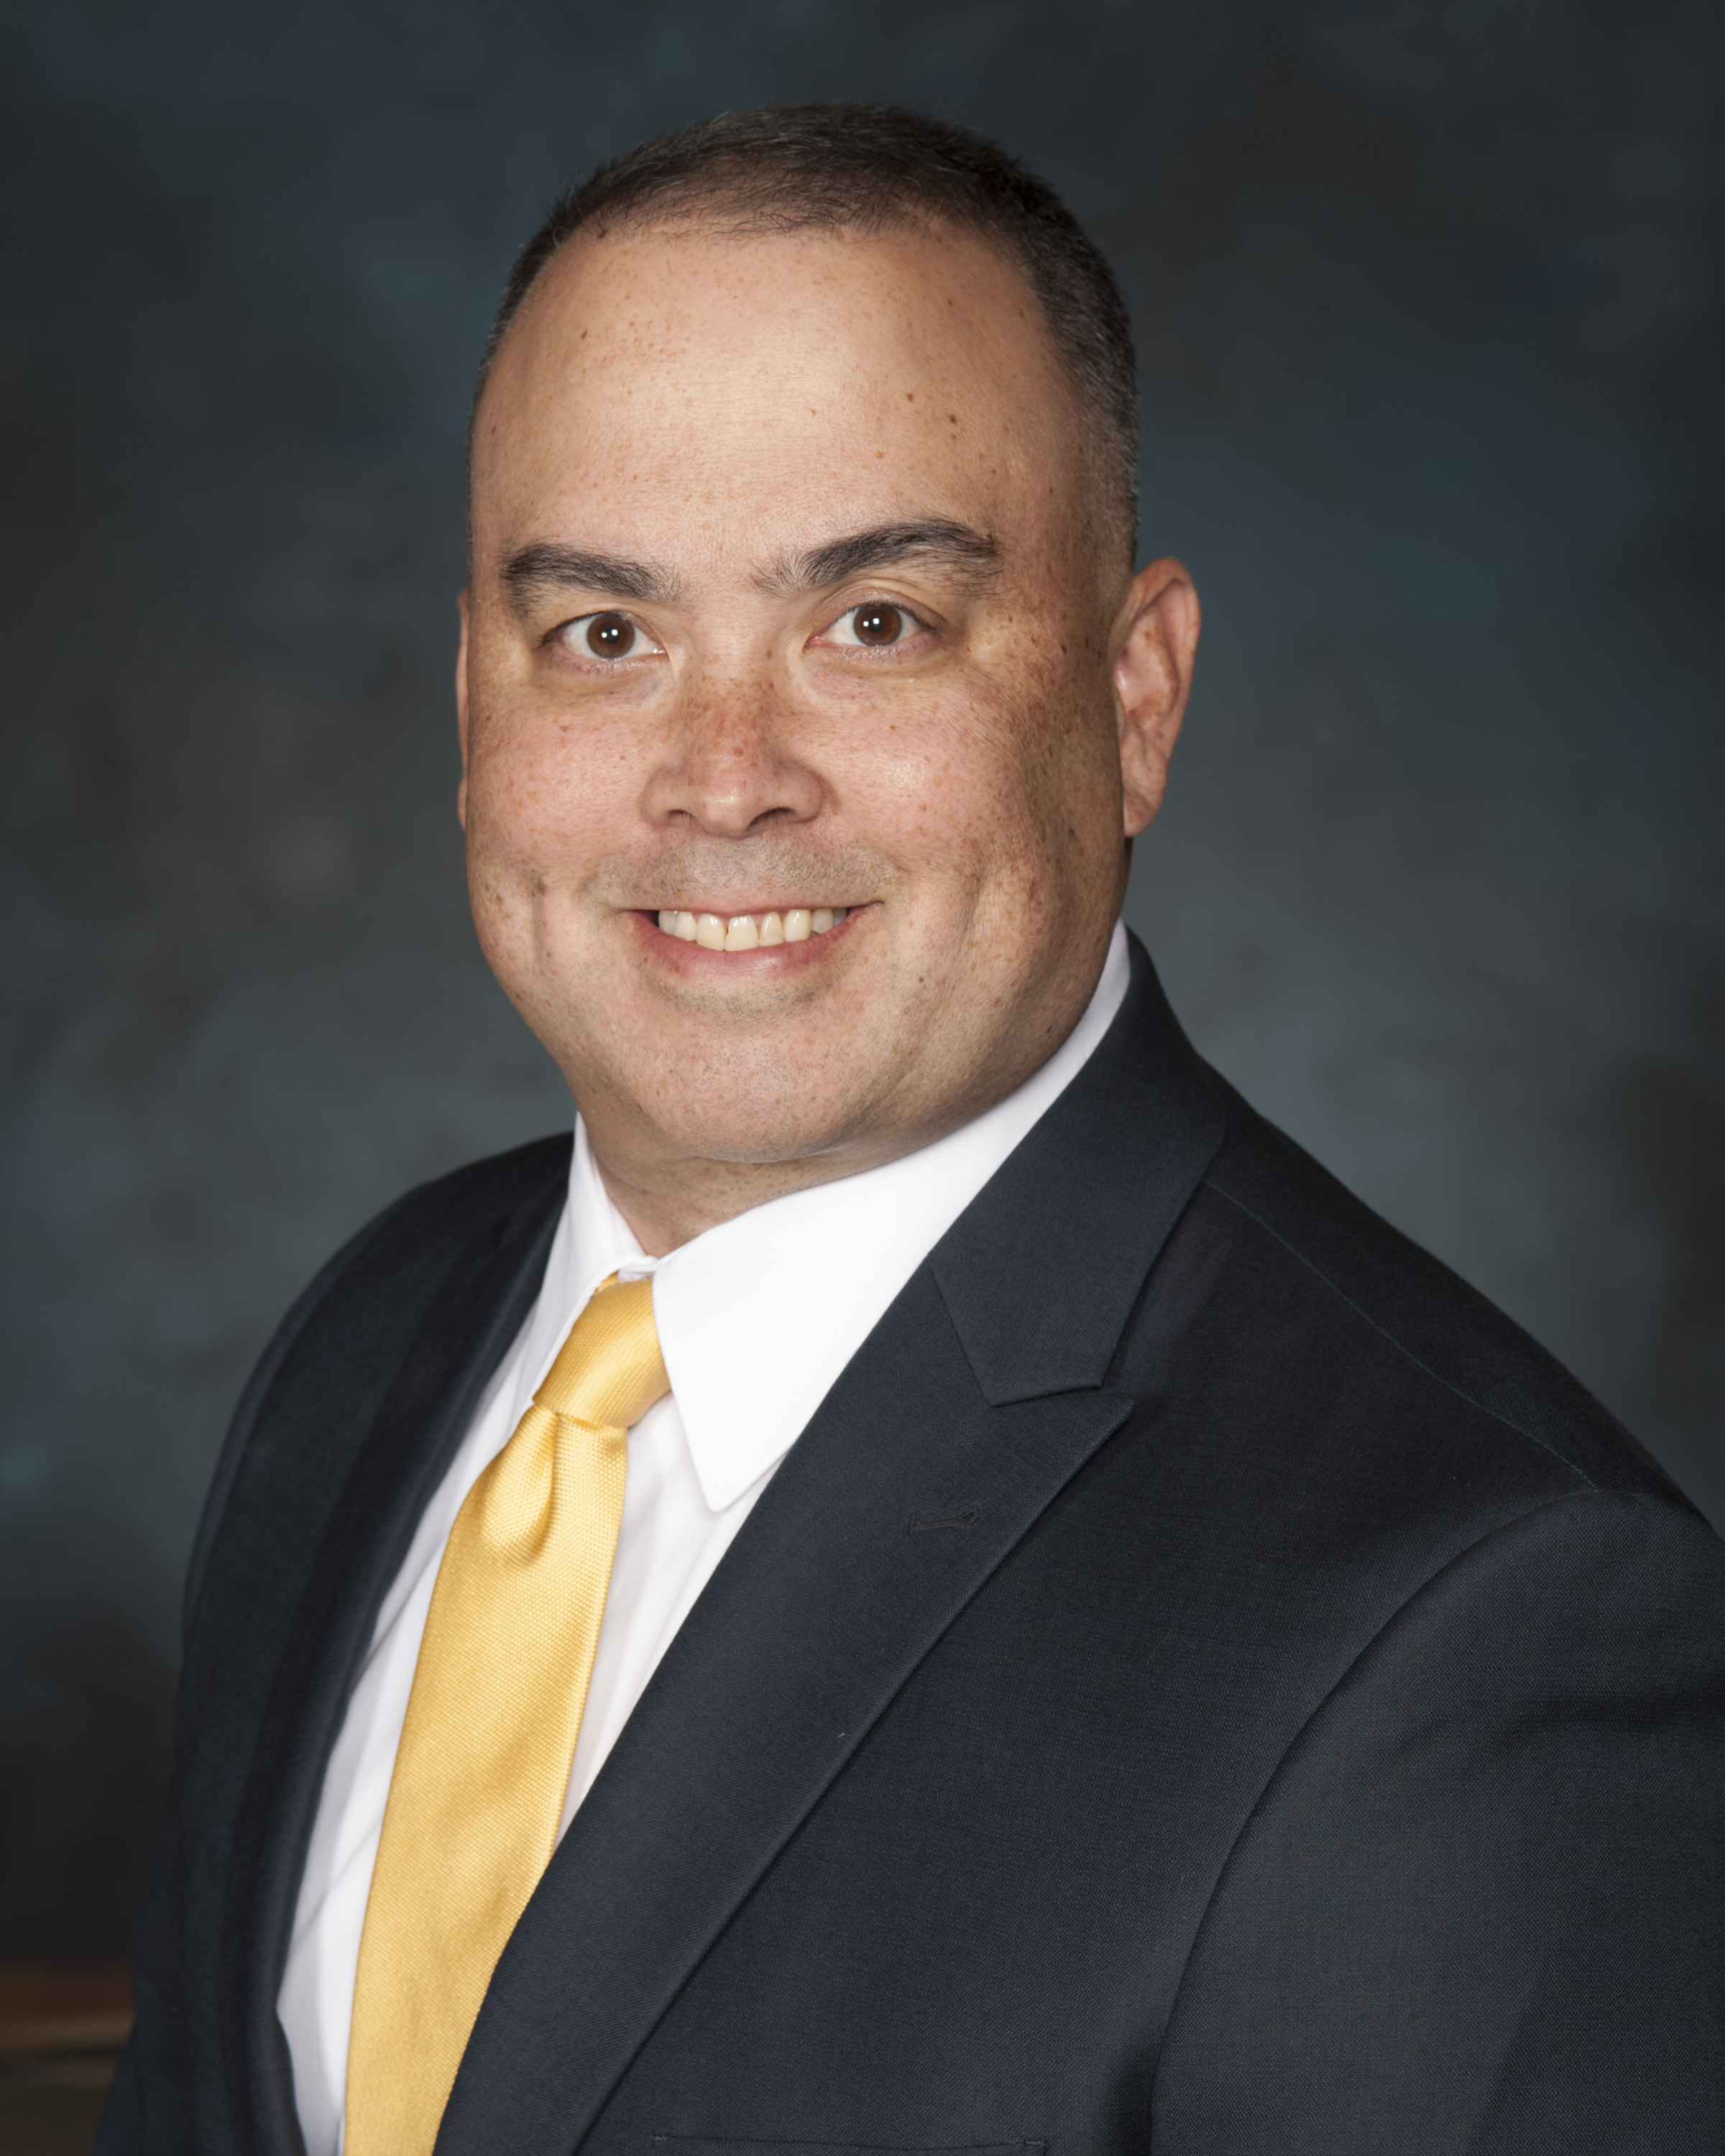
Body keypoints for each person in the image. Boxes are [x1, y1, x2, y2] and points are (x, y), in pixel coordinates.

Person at [100, 103, 1725, 2156]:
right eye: (606, 634)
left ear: (1135, 700)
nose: (723, 779)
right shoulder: (374, 1339)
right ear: (473, 702)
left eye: (874, 622)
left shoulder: (1483, 1629)